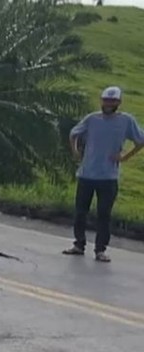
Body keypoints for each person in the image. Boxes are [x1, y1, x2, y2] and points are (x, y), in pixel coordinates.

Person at [64, 86, 144, 262]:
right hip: (86, 174)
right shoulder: (92, 119)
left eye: (112, 101)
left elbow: (140, 140)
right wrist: (76, 152)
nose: (108, 104)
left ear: (118, 103)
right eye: (105, 100)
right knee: (80, 212)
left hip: (108, 177)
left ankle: (100, 250)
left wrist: (124, 157)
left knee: (104, 214)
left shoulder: (126, 121)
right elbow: (73, 134)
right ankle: (79, 244)